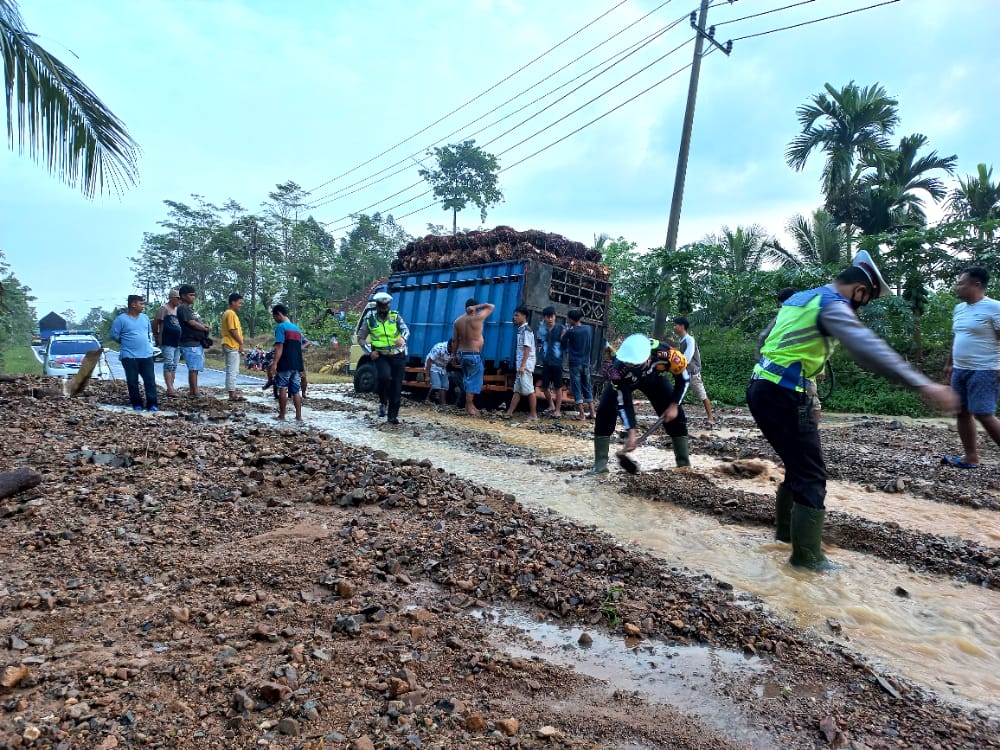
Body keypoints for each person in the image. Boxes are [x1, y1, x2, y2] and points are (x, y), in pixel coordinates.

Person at [748, 251, 957, 570]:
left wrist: (796, 362)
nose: (863, 306)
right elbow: (865, 345)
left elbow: (765, 339)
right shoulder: (833, 304)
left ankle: (785, 538)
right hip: (785, 393)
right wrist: (922, 384)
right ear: (860, 289)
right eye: (867, 299)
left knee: (797, 465)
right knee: (811, 474)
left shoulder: (800, 299)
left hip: (761, 386)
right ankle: (807, 560)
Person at [592, 333, 690, 473]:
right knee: (605, 410)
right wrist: (631, 431)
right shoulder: (617, 369)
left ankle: (684, 465)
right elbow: (623, 401)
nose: (632, 367)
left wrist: (674, 405)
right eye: (629, 364)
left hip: (653, 378)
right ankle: (600, 464)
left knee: (677, 415)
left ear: (648, 358)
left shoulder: (668, 354)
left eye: (635, 364)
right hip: (627, 382)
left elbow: (684, 379)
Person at [942, 267, 1000, 468]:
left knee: (984, 413)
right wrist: (950, 364)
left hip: (986, 369)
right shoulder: (959, 309)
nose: (957, 286)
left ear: (976, 285)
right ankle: (971, 457)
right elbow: (957, 337)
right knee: (962, 412)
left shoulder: (995, 308)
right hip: (960, 369)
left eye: (961, 283)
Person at [357, 291, 409, 424]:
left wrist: (403, 338)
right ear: (377, 306)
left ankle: (392, 416)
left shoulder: (395, 316)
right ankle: (382, 401)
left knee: (397, 386)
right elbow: (361, 338)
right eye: (381, 306)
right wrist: (369, 352)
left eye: (386, 306)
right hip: (380, 355)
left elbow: (406, 330)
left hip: (398, 354)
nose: (384, 309)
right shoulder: (370, 319)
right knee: (384, 377)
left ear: (389, 305)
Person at [110, 295, 159, 412]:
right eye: (141, 304)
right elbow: (114, 335)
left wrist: (151, 346)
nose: (143, 306)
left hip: (146, 354)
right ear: (133, 304)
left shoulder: (145, 318)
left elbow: (149, 333)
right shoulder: (121, 319)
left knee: (150, 380)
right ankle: (137, 404)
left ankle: (152, 404)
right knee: (132, 381)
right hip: (129, 356)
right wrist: (126, 342)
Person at [452, 298, 495, 416]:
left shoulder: (458, 321)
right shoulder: (477, 318)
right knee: (474, 381)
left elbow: (455, 340)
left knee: (467, 379)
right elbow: (491, 306)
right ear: (474, 307)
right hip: (473, 354)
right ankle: (470, 406)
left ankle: (468, 405)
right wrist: (477, 307)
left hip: (462, 354)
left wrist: (453, 355)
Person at [672, 316, 714, 429]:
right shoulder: (682, 340)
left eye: (675, 325)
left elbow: (687, 358)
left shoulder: (689, 340)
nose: (674, 327)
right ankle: (675, 419)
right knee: (677, 395)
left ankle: (711, 418)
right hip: (684, 372)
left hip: (693, 373)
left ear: (682, 326)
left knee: (702, 395)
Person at [268, 304, 304, 421]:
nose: (275, 320)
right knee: (296, 391)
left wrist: (275, 363)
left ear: (278, 314)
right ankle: (298, 416)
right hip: (296, 364)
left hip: (285, 363)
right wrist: (301, 368)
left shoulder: (280, 327)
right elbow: (299, 350)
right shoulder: (297, 329)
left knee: (282, 388)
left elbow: (279, 347)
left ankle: (282, 416)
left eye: (275, 317)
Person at [176, 284, 211, 398]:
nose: (193, 297)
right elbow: (192, 323)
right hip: (190, 342)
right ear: (183, 296)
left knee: (195, 368)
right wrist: (204, 328)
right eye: (191, 295)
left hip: (196, 342)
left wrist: (204, 327)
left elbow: (196, 321)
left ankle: (194, 391)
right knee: (193, 368)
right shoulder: (183, 308)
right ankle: (194, 392)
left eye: (194, 295)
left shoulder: (190, 309)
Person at [504, 306, 538, 419]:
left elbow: (527, 349)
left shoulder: (526, 331)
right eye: (514, 315)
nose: (514, 317)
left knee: (529, 391)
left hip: (525, 366)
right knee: (517, 390)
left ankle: (533, 414)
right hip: (521, 365)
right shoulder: (521, 330)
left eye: (517, 315)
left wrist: (523, 366)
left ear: (524, 316)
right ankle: (509, 412)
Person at [563, 308, 596, 420]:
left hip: (575, 364)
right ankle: (592, 413)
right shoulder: (588, 329)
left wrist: (563, 334)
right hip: (586, 363)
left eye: (569, 319)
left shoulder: (570, 332)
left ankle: (582, 415)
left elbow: (563, 344)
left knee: (577, 388)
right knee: (587, 387)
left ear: (572, 320)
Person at [537, 306, 565, 417]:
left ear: (555, 316)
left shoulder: (561, 328)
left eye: (551, 317)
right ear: (544, 318)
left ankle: (558, 410)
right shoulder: (542, 329)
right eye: (547, 317)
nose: (550, 319)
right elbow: (539, 342)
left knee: (558, 387)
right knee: (544, 387)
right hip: (546, 362)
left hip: (557, 362)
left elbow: (565, 344)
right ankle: (551, 405)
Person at [154, 289, 182, 397]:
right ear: (171, 298)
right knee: (168, 364)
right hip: (167, 341)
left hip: (177, 342)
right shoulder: (163, 309)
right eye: (177, 298)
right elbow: (156, 323)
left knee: (174, 365)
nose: (179, 301)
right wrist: (157, 336)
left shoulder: (177, 310)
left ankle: (172, 387)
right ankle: (169, 388)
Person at [221, 292, 245, 401]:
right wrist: (241, 343)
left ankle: (232, 392)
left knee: (233, 369)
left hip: (230, 343)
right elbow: (233, 330)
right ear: (233, 302)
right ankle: (232, 394)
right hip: (231, 344)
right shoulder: (230, 313)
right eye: (239, 303)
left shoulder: (229, 313)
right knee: (232, 370)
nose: (240, 305)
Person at [424, 338, 453, 408]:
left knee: (445, 386)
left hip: (442, 366)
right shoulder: (439, 348)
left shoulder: (456, 350)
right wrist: (427, 376)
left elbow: (452, 361)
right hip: (433, 365)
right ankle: (427, 399)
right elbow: (429, 361)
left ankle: (443, 404)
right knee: (437, 385)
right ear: (449, 346)